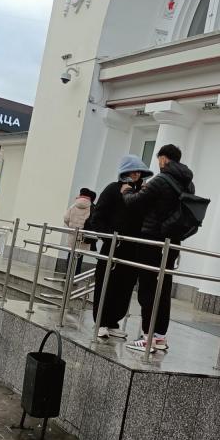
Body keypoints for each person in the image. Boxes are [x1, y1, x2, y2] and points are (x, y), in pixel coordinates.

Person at [121, 144, 194, 352]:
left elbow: (136, 202)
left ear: (163, 159)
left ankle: (148, 337)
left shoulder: (161, 180)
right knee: (163, 288)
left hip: (152, 240)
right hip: (173, 242)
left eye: (158, 159)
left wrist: (127, 191)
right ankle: (160, 336)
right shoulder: (189, 183)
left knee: (148, 288)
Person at [87, 155, 153, 339]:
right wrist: (109, 237)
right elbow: (96, 218)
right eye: (132, 171)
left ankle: (113, 322)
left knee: (125, 287)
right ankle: (101, 322)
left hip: (133, 249)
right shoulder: (112, 190)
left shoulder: (141, 194)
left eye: (138, 171)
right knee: (106, 284)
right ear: (125, 171)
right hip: (113, 247)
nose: (136, 174)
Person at [63, 188, 96, 277]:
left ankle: (67, 274)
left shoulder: (74, 205)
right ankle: (76, 276)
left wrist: (71, 226)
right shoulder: (91, 207)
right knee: (80, 256)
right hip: (83, 236)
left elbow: (66, 218)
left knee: (71, 254)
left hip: (73, 234)